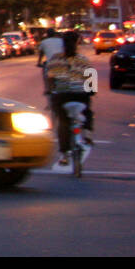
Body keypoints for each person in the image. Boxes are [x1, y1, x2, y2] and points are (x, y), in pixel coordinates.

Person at [44, 30, 95, 167]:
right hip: (81, 95)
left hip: (62, 96)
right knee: (88, 112)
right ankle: (88, 134)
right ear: (77, 43)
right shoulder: (83, 60)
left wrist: (51, 90)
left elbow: (50, 78)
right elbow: (91, 80)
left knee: (63, 122)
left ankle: (64, 154)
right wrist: (91, 92)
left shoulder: (55, 59)